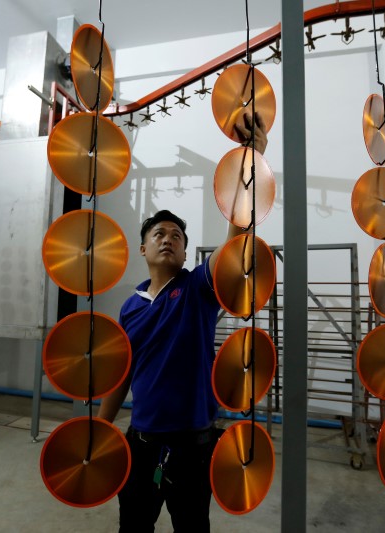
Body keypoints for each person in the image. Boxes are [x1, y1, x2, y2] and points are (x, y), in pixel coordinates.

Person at [98, 111, 268, 532]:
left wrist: (251, 160)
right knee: (133, 526)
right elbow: (122, 373)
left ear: (186, 252)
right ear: (143, 250)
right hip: (141, 444)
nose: (168, 238)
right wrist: (100, 431)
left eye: (176, 235)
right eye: (159, 233)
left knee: (192, 527)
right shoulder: (130, 307)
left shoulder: (197, 289)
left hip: (195, 447)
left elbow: (235, 243)